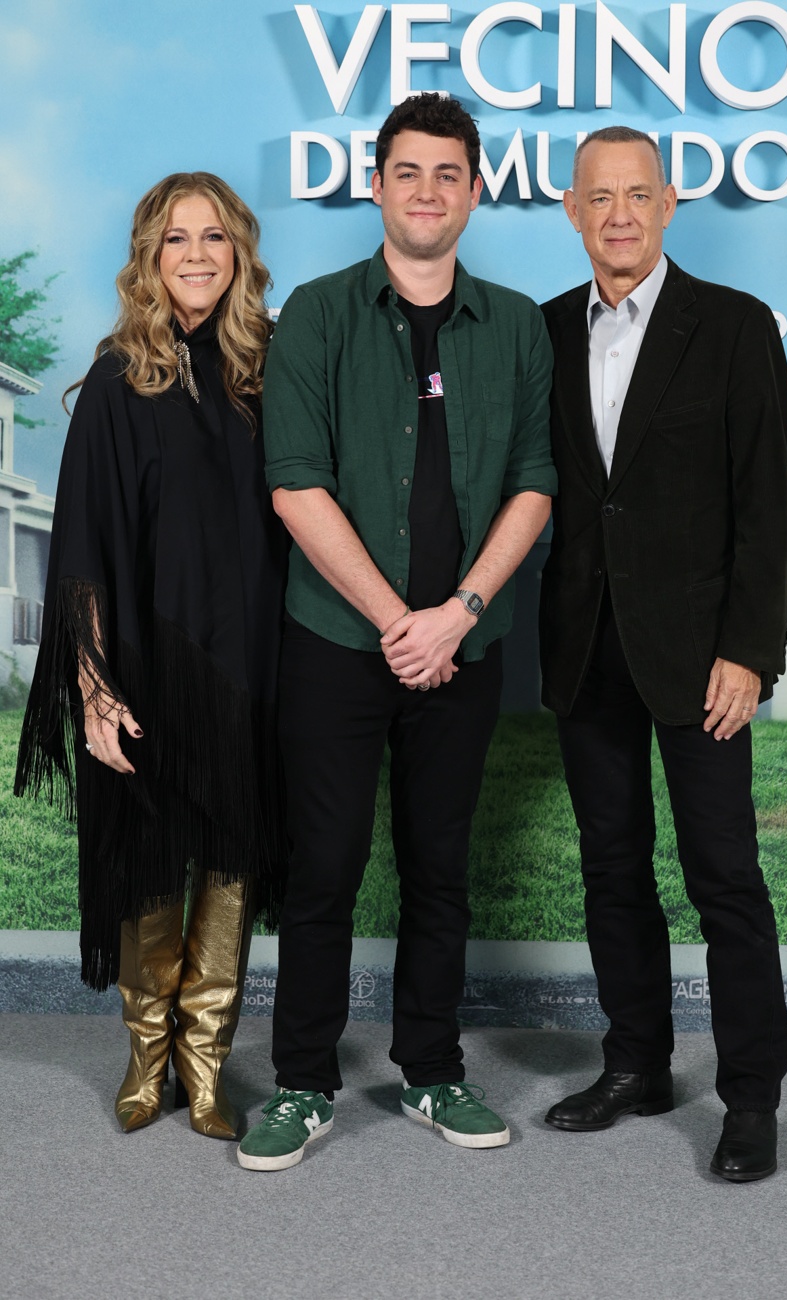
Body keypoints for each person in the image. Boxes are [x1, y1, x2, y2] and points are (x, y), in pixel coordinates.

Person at [237, 93, 556, 1171]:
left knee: (440, 865)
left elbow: (534, 482)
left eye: (447, 174)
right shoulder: (317, 314)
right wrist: (395, 622)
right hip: (337, 639)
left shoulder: (515, 324)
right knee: (323, 866)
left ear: (475, 190)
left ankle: (431, 1068)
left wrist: (457, 614)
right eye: (407, 172)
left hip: (465, 644)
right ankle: (301, 1083)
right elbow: (294, 483)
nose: (427, 191)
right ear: (376, 186)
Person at [539, 126, 787, 1181]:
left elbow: (763, 506)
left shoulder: (733, 325)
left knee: (723, 875)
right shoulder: (544, 329)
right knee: (612, 869)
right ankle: (637, 1063)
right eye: (600, 197)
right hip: (585, 648)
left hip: (702, 659)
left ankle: (751, 1099)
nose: (620, 215)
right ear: (572, 210)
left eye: (638, 194)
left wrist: (750, 652)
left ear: (669, 203)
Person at [15, 172, 289, 1140]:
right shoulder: (116, 382)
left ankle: (205, 1064)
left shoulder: (270, 376)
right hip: (142, 667)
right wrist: (93, 689)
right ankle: (146, 1056)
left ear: (240, 253)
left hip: (249, 666)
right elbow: (82, 548)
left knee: (231, 863)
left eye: (215, 237)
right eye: (177, 239)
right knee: (147, 863)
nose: (197, 255)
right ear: (149, 256)